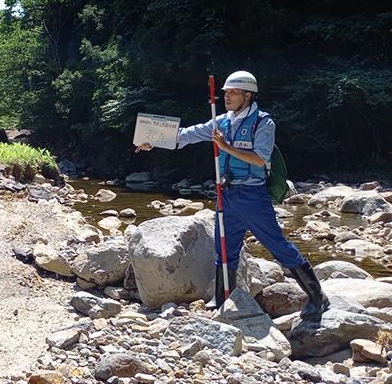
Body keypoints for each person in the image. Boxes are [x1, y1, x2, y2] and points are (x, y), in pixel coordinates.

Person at [136, 71, 330, 321]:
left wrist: (225, 147)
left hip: (253, 196)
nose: (226, 96)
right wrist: (152, 140)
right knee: (225, 248)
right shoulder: (222, 122)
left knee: (277, 246)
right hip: (227, 194)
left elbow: (259, 158)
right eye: (226, 92)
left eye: (233, 92)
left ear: (247, 96)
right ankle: (222, 297)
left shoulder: (263, 123)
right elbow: (187, 134)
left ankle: (317, 296)